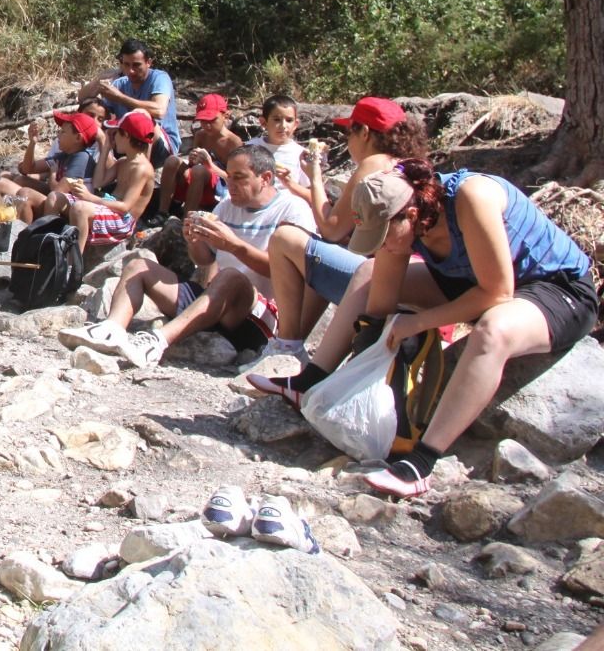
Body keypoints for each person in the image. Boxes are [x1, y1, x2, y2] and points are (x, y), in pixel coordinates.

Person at [256, 162, 597, 499]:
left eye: (385, 234)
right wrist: (363, 370)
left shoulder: (471, 197)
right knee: (367, 273)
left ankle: (421, 462)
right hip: (469, 280)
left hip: (556, 290)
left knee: (493, 331)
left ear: (412, 215)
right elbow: (380, 301)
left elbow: (497, 293)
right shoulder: (401, 221)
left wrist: (418, 323)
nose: (384, 244)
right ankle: (311, 381)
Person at [63, 144, 318, 369]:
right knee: (138, 266)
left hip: (262, 314)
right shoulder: (228, 206)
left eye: (239, 178)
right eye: (228, 177)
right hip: (215, 302)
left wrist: (234, 245)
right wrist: (194, 240)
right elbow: (205, 259)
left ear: (266, 178)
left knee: (231, 277)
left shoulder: (293, 209)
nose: (230, 185)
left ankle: (158, 342)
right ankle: (112, 328)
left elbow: (288, 272)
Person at [256, 97, 431, 361]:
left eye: (351, 131)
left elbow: (331, 228)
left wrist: (315, 176)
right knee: (325, 252)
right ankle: (291, 346)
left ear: (365, 133)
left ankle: (286, 345)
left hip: (383, 284)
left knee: (284, 238)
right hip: (412, 282)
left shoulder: (373, 164)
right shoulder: (407, 163)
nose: (348, 140)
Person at [39, 110, 158, 258]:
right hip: (107, 206)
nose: (114, 139)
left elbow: (125, 207)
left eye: (116, 134)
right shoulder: (123, 162)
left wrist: (89, 197)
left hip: (122, 221)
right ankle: (46, 251)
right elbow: (98, 181)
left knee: (80, 208)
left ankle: (71, 266)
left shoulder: (142, 169)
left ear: (126, 136)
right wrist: (105, 148)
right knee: (54, 197)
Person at [77, 38, 180, 164]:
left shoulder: (159, 78)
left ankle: (142, 171)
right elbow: (83, 99)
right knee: (94, 115)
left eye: (136, 65)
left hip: (161, 146)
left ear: (148, 62)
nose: (131, 71)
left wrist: (120, 97)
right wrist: (98, 80)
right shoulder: (120, 83)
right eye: (126, 65)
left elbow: (159, 110)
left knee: (142, 115)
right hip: (126, 142)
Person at [0, 109, 101, 224]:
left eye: (63, 132)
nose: (58, 135)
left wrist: (53, 174)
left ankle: (23, 235)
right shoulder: (65, 155)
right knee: (4, 180)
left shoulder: (82, 158)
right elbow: (27, 169)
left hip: (66, 211)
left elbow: (57, 193)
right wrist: (32, 143)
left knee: (25, 194)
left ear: (78, 138)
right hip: (53, 200)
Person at [155, 93, 240, 219]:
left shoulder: (233, 142)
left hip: (219, 190)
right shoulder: (201, 135)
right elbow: (192, 166)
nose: (207, 126)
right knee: (172, 161)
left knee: (199, 170)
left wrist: (209, 165)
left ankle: (187, 219)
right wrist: (193, 159)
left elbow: (235, 179)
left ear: (225, 116)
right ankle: (162, 212)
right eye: (203, 121)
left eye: (212, 120)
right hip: (197, 182)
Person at [246, 95, 309, 190]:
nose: (283, 125)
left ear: (295, 124)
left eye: (289, 120)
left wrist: (289, 183)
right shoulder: (251, 147)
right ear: (263, 122)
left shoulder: (301, 154)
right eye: (277, 120)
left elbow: (309, 189)